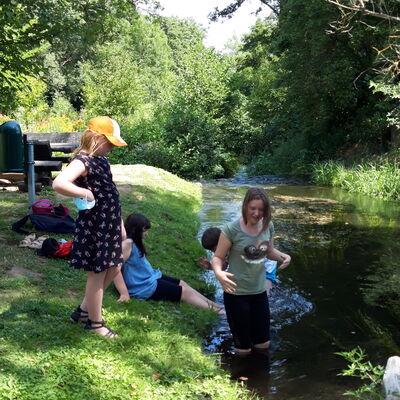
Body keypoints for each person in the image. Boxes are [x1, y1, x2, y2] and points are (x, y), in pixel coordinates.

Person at [52, 116, 128, 338]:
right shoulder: (82, 161)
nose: (113, 147)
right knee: (98, 272)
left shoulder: (102, 160)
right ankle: (96, 324)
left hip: (109, 224)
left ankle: (84, 311)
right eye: (110, 143)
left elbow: (111, 194)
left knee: (114, 266)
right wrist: (84, 192)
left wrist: (119, 223)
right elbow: (59, 183)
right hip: (95, 227)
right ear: (97, 138)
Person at [211, 187, 291, 355]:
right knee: (244, 349)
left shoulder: (268, 226)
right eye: (252, 208)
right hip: (235, 293)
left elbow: (269, 251)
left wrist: (284, 257)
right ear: (245, 206)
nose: (256, 213)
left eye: (261, 209)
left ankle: (262, 379)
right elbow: (218, 257)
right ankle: (240, 379)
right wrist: (219, 273)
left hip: (259, 292)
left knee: (263, 344)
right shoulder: (231, 229)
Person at [113, 213, 225, 314]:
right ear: (134, 229)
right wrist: (124, 293)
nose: (146, 234)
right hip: (143, 286)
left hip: (150, 278)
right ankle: (219, 313)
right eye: (144, 230)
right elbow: (115, 269)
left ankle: (216, 305)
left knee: (182, 284)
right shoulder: (127, 244)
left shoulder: (134, 242)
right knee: (185, 292)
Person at [197, 227, 289, 296]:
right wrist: (210, 266)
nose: (215, 252)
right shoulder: (222, 251)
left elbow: (268, 251)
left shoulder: (239, 244)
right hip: (249, 265)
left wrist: (282, 257)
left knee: (263, 293)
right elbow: (224, 266)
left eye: (214, 249)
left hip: (266, 264)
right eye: (212, 251)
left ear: (222, 240)